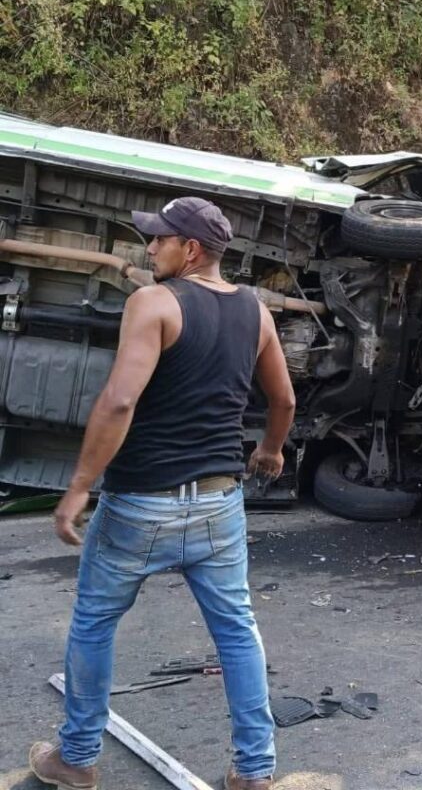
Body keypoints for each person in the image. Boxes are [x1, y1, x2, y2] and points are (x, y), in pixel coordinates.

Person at [29, 196, 296, 790]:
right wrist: (271, 450)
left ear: (191, 249)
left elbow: (120, 400)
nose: (149, 248)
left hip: (139, 506)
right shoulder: (256, 311)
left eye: (159, 239)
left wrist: (77, 489)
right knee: (236, 631)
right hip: (219, 504)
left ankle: (75, 760)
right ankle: (254, 772)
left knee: (95, 623)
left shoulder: (154, 302)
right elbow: (284, 400)